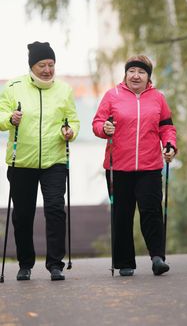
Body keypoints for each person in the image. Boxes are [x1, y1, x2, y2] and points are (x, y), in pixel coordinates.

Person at [0, 41, 80, 281]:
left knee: (55, 209)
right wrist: (10, 119)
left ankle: (55, 264)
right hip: (21, 161)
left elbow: (73, 121)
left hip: (54, 161)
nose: (47, 70)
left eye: (51, 64)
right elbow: (1, 115)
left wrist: (69, 132)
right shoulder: (13, 87)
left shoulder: (64, 90)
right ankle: (25, 264)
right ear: (31, 66)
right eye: (42, 65)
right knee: (23, 215)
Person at [92, 55, 177, 276]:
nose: (136, 75)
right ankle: (124, 262)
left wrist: (170, 145)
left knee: (151, 212)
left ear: (148, 77)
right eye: (132, 71)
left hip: (149, 166)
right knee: (122, 215)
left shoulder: (158, 98)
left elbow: (167, 127)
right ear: (126, 74)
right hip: (118, 166)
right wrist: (105, 129)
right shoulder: (113, 95)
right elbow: (98, 123)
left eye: (141, 72)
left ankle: (157, 258)